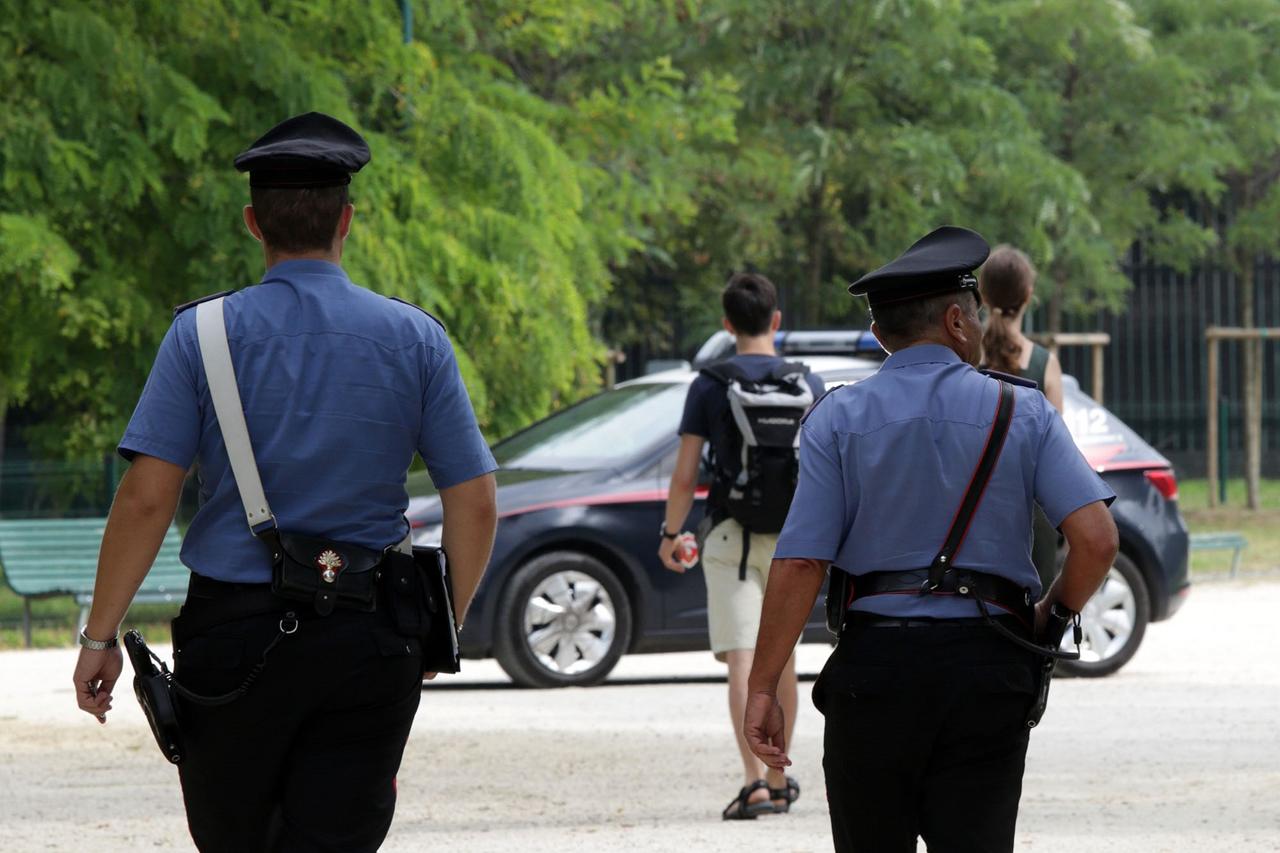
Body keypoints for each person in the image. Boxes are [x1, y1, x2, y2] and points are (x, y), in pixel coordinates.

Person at [71, 112, 499, 852]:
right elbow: (477, 501)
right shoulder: (416, 338)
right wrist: (437, 630)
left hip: (232, 636)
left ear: (251, 223)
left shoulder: (200, 335)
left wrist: (100, 634)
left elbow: (146, 497)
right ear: (348, 220)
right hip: (370, 633)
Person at [743, 226, 1119, 852]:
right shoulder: (1019, 410)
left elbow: (803, 559)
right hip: (988, 670)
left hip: (876, 674)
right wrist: (1053, 615)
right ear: (955, 321)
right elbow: (1097, 540)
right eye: (973, 313)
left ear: (881, 334)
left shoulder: (838, 416)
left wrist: (763, 687)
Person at [658, 272, 825, 820]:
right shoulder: (808, 382)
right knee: (784, 665)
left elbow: (685, 475)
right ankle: (780, 780)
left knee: (742, 662)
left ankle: (752, 782)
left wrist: (671, 533)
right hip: (794, 541)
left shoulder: (709, 384)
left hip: (730, 536)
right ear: (776, 321)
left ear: (727, 325)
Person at [979, 245, 1064, 588]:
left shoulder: (962, 360)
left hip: (971, 516)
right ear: (1029, 295)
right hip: (1031, 521)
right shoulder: (1046, 364)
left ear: (981, 295)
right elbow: (1056, 454)